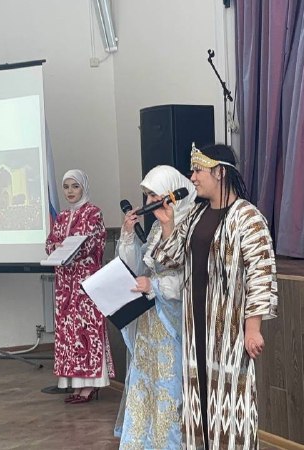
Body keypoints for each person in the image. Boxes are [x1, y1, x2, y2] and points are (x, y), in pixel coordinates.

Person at [152, 144, 278, 449]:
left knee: (230, 401)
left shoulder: (248, 217)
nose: (192, 177)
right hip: (196, 326)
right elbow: (171, 259)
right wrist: (167, 223)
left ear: (220, 172)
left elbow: (261, 274)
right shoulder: (196, 215)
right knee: (199, 402)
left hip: (229, 331)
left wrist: (253, 328)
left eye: (198, 170)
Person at [114, 166, 196, 449]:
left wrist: (155, 285)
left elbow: (189, 278)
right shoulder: (155, 229)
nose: (149, 202)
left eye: (154, 195)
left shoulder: (191, 226)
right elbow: (139, 268)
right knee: (144, 386)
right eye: (147, 196)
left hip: (173, 325)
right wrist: (127, 235)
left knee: (169, 392)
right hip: (149, 323)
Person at [45, 169, 113, 403]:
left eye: (75, 186)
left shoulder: (93, 212)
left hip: (85, 283)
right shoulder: (62, 216)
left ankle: (91, 385)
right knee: (68, 335)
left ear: (83, 187)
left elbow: (92, 243)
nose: (70, 191)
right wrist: (56, 248)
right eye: (66, 187)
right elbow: (50, 243)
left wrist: (68, 247)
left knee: (86, 332)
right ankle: (75, 385)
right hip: (65, 285)